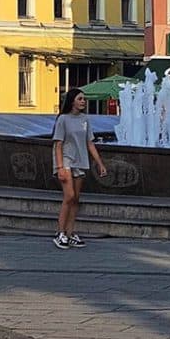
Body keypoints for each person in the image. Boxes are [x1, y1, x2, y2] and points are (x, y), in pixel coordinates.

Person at [52, 88, 108, 250]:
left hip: (80, 160)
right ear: (72, 101)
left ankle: (70, 233)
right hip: (66, 160)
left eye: (84, 99)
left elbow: (90, 143)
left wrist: (99, 163)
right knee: (68, 196)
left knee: (76, 198)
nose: (83, 101)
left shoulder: (85, 119)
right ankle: (60, 232)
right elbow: (58, 144)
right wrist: (60, 167)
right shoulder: (63, 119)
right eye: (80, 99)